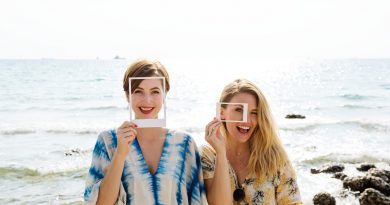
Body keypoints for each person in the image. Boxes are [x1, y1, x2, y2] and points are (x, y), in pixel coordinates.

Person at [84, 59, 207, 205]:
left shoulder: (185, 143)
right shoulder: (108, 141)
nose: (147, 100)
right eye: (138, 91)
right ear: (127, 95)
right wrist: (120, 153)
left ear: (165, 94)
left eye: (155, 92)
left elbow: (196, 200)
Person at [201, 79, 302, 205]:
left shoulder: (275, 157)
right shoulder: (206, 156)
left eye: (254, 113)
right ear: (222, 113)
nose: (247, 121)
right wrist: (220, 153)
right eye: (239, 110)